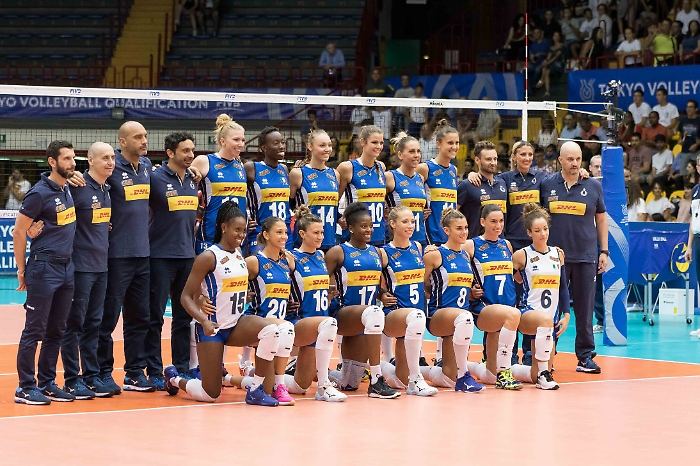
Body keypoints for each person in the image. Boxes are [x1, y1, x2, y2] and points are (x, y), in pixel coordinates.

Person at [164, 201, 280, 406]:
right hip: (213, 328)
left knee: (271, 331)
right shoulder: (208, 257)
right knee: (210, 394)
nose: (241, 235)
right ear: (224, 227)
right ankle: (174, 378)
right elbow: (185, 296)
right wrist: (203, 319)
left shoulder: (238, 253)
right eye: (237, 230)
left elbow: (224, 285)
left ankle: (255, 389)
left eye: (243, 230)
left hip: (235, 323)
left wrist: (243, 294)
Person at [13, 140, 77, 405]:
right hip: (44, 267)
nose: (72, 163)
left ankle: (47, 382)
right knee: (34, 330)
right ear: (52, 162)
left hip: (67, 268)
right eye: (67, 159)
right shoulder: (39, 193)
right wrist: (21, 270)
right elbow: (19, 231)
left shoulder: (67, 187)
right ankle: (25, 387)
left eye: (73, 158)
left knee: (57, 330)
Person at [540, 141, 608, 373]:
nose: (575, 163)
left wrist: (604, 251)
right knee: (551, 309)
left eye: (578, 159)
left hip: (586, 256)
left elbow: (601, 219)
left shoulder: (593, 186)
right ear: (560, 160)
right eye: (570, 159)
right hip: (554, 258)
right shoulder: (547, 184)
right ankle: (547, 356)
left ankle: (585, 356)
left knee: (585, 309)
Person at [98, 121, 156, 394]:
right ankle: (101, 373)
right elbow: (88, 184)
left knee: (140, 317)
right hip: (116, 255)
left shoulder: (147, 166)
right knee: (107, 318)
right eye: (138, 137)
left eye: (145, 136)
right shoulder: (111, 167)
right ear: (122, 142)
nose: (144, 141)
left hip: (143, 254)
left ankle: (134, 372)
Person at [325, 202, 399, 398]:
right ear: (351, 228)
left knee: (349, 383)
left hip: (366, 322)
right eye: (363, 226)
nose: (369, 230)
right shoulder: (338, 252)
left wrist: (381, 294)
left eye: (371, 226)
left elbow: (372, 283)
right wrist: (328, 292)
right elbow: (319, 280)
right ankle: (376, 380)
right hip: (344, 315)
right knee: (375, 311)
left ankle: (318, 373)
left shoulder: (377, 252)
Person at [59, 142, 114, 400]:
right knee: (74, 324)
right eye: (105, 158)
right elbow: (52, 187)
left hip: (101, 266)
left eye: (112, 158)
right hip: (81, 268)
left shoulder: (107, 189)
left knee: (94, 323)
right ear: (90, 160)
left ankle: (91, 376)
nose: (110, 162)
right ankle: (72, 380)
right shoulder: (77, 187)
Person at [144, 132, 199, 390]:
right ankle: (154, 370)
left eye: (192, 150)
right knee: (154, 317)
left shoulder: (192, 179)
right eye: (185, 151)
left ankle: (182, 369)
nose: (190, 155)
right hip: (159, 257)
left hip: (186, 257)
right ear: (170, 153)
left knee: (183, 317)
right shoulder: (154, 178)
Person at [282, 206, 347, 401]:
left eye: (322, 232)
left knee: (300, 385)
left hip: (319, 323)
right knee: (330, 323)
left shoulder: (320, 256)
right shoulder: (291, 258)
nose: (321, 237)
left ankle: (255, 375)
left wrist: (327, 297)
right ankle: (323, 386)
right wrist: (285, 302)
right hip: (301, 323)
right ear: (302, 234)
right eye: (316, 233)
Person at [421, 208, 484, 392]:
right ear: (446, 230)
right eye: (459, 228)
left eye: (465, 227)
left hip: (460, 319)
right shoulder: (435, 254)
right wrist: (429, 294)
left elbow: (460, 288)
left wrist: (472, 293)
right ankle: (465, 376)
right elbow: (419, 283)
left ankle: (411, 370)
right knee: (465, 317)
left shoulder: (465, 255)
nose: (464, 232)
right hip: (438, 315)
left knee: (449, 378)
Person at [509, 204, 570, 389]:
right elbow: (510, 280)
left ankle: (506, 369)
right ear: (529, 233)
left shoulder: (557, 254)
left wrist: (567, 314)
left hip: (552, 317)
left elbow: (563, 286)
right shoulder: (521, 255)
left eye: (545, 229)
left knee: (540, 372)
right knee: (544, 322)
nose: (543, 234)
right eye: (537, 231)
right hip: (529, 313)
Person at [378, 206, 438, 396]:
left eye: (412, 221)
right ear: (392, 224)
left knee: (400, 379)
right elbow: (371, 281)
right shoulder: (384, 252)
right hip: (395, 313)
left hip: (416, 313)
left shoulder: (418, 247)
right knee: (416, 316)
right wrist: (381, 294)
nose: (410, 225)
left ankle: (377, 365)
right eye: (405, 222)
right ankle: (416, 380)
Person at [464, 205, 526, 390]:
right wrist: (470, 290)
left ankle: (480, 367)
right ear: (482, 222)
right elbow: (455, 266)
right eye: (493, 221)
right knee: (511, 316)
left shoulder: (506, 245)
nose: (498, 225)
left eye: (501, 221)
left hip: (506, 304)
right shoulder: (471, 245)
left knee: (490, 373)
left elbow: (514, 275)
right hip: (484, 307)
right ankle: (504, 373)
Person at [243, 216, 298, 405]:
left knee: (286, 328)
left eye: (285, 232)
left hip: (279, 326)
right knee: (287, 328)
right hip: (260, 323)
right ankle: (279, 386)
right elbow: (231, 284)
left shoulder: (288, 263)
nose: (284, 236)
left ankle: (231, 379)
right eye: (279, 232)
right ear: (266, 235)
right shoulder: (253, 261)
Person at [193, 115, 248, 255]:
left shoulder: (240, 165)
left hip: (237, 236)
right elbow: (186, 188)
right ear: (222, 141)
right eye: (236, 139)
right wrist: (195, 209)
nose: (241, 144)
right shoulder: (204, 161)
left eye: (242, 140)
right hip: (211, 233)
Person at [245, 126, 293, 254]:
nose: (281, 146)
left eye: (282, 142)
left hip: (285, 233)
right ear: (264, 147)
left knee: (286, 266)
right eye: (276, 143)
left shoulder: (284, 169)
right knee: (260, 265)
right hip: (261, 232)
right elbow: (236, 193)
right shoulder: (251, 168)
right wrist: (244, 216)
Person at [337, 125, 388, 247]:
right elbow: (334, 199)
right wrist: (340, 218)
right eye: (374, 142)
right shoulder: (347, 167)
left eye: (381, 143)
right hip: (356, 235)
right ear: (363, 142)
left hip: (379, 234)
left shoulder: (381, 167)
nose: (379, 146)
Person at [289, 129, 339, 251]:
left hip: (330, 241)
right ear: (310, 146)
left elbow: (334, 208)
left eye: (329, 145)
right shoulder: (298, 173)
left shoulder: (335, 174)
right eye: (322, 145)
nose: (327, 149)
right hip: (305, 243)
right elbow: (289, 205)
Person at [417, 120, 459, 245]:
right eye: (450, 143)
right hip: (431, 234)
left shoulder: (454, 170)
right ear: (438, 144)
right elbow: (405, 188)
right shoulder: (425, 168)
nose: (454, 147)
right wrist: (416, 210)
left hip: (450, 235)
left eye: (457, 143)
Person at [457, 140, 507, 239]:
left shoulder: (502, 183)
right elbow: (453, 215)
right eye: (488, 159)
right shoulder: (467, 185)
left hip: (499, 243)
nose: (493, 163)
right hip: (474, 243)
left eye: (495, 159)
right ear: (477, 160)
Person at [386, 132, 428, 246]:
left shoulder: (421, 178)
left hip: (420, 239)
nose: (416, 155)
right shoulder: (390, 177)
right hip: (398, 241)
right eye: (411, 151)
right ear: (400, 155)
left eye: (418, 151)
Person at [538, 31, 566, 97]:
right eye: (554, 35)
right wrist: (545, 61)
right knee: (547, 71)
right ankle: (547, 91)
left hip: (559, 64)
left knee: (546, 66)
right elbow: (548, 57)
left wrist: (547, 63)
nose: (556, 37)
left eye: (557, 36)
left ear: (559, 37)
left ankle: (541, 79)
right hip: (552, 64)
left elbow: (556, 57)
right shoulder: (551, 47)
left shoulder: (562, 46)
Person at [678, 99, 700, 174]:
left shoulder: (699, 121)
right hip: (685, 151)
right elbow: (680, 135)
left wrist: (696, 145)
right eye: (687, 107)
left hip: (697, 151)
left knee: (697, 173)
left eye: (691, 107)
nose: (688, 109)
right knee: (683, 174)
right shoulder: (683, 120)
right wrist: (680, 140)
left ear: (696, 109)